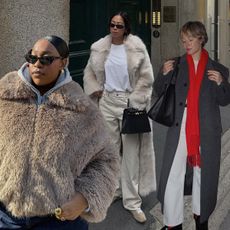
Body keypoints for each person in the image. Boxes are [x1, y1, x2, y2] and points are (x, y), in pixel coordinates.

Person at [0, 35, 120, 229]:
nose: (38, 64)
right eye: (32, 58)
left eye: (46, 59)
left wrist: (83, 199)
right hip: (6, 217)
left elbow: (106, 160)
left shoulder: (82, 110)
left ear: (63, 62)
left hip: (60, 220)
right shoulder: (4, 98)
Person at [154, 21, 230, 230]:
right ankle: (172, 223)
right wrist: (163, 74)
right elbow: (159, 91)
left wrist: (221, 83)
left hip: (206, 130)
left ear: (201, 39)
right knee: (172, 173)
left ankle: (201, 219)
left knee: (202, 175)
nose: (186, 44)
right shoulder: (176, 64)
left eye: (190, 39)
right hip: (180, 126)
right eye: (183, 40)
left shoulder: (217, 69)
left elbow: (225, 100)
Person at [83, 11, 156, 223]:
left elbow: (146, 77)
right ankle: (114, 190)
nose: (114, 29)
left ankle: (133, 202)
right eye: (112, 25)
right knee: (111, 151)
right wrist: (95, 88)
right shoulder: (99, 47)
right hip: (107, 101)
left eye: (119, 26)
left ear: (126, 28)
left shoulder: (136, 48)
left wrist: (136, 99)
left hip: (129, 104)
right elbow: (89, 72)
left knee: (131, 153)